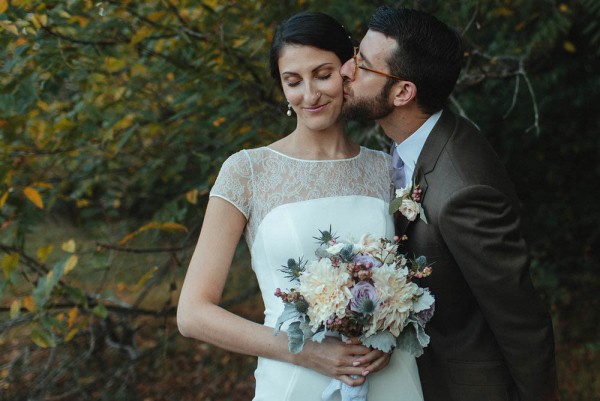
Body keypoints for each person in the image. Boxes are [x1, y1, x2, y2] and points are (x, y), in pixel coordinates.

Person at [177, 11, 424, 401]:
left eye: (322, 75)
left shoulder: (388, 167)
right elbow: (192, 314)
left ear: (348, 72)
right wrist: (308, 353)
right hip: (295, 381)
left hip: (389, 377)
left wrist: (391, 327)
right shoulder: (247, 171)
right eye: (293, 81)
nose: (309, 95)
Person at [340, 6, 559, 401]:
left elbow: (520, 319)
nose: (345, 71)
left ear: (403, 92)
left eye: (363, 66)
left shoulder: (464, 192)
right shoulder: (417, 141)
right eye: (356, 54)